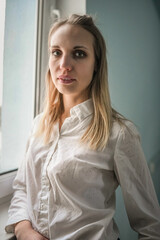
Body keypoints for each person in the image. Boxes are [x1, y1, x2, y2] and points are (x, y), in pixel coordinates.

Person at [5, 14, 160, 240]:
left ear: (96, 64)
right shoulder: (39, 125)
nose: (64, 65)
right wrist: (24, 230)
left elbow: (151, 227)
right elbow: (22, 188)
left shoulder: (119, 134)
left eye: (79, 54)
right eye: (56, 52)